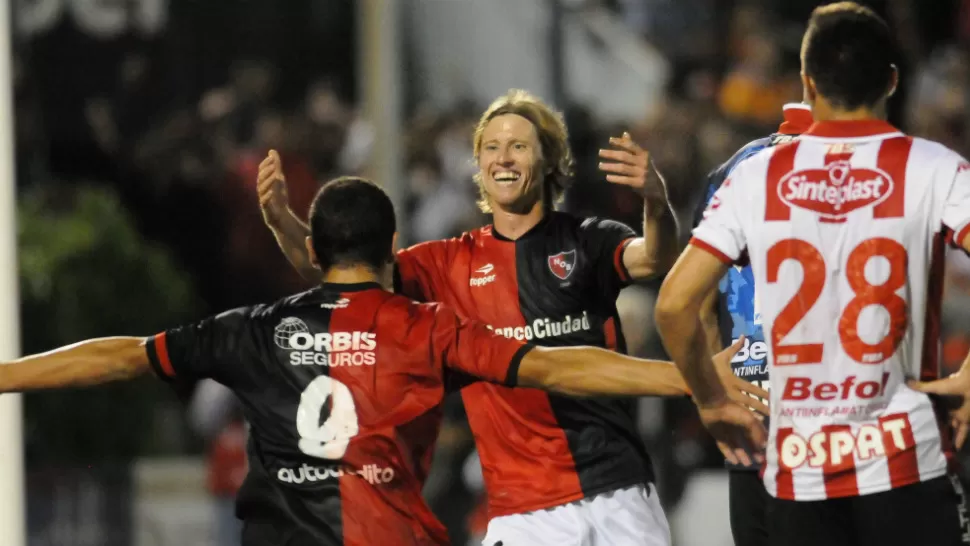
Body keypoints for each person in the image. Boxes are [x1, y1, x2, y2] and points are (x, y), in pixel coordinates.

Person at [1, 177, 766, 546]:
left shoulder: (251, 328)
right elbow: (560, 367)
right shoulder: (425, 328)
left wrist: (4, 374)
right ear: (389, 244)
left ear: (315, 250)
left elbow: (122, 357)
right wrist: (692, 379)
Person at [260, 89, 683, 546]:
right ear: (479, 164)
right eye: (492, 147)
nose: (504, 157)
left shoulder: (588, 240)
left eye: (519, 146)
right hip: (522, 512)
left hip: (616, 494)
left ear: (548, 161)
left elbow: (654, 258)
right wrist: (282, 222)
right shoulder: (447, 262)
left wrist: (655, 204)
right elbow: (342, 276)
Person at [655, 3, 970, 546]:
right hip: (904, 461)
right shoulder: (934, 167)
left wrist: (710, 399)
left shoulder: (754, 176)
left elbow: (673, 305)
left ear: (806, 83)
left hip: (798, 473)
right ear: (893, 81)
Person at [692, 102, 813, 546]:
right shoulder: (862, 163)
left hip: (750, 413)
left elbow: (691, 304)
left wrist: (710, 393)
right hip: (839, 418)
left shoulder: (730, 172)